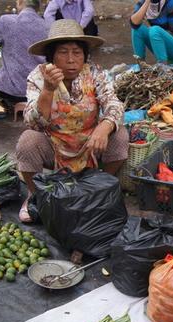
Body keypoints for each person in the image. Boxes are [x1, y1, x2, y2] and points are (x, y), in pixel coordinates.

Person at [17, 19, 128, 233]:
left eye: (77, 52)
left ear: (84, 55)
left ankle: (97, 187)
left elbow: (114, 103)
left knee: (120, 135)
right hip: (54, 145)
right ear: (51, 56)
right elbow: (33, 121)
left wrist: (104, 127)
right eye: (63, 52)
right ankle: (37, 195)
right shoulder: (38, 77)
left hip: (90, 145)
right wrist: (48, 90)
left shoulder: (94, 73)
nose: (71, 60)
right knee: (27, 141)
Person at [129, 0, 173, 64]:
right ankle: (140, 64)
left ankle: (163, 66)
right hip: (159, 43)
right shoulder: (144, 2)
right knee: (138, 28)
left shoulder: (170, 3)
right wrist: (147, 3)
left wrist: (158, 34)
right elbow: (134, 23)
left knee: (154, 30)